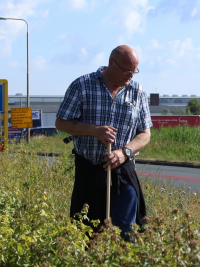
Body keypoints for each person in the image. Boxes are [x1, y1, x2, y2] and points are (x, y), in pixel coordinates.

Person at [55, 45, 152, 235]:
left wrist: (125, 152)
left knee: (126, 230)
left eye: (134, 71)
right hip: (89, 170)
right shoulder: (82, 85)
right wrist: (93, 130)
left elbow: (145, 134)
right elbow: (61, 122)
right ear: (111, 63)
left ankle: (123, 263)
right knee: (87, 232)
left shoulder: (137, 91)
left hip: (123, 171)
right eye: (126, 70)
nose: (130, 75)